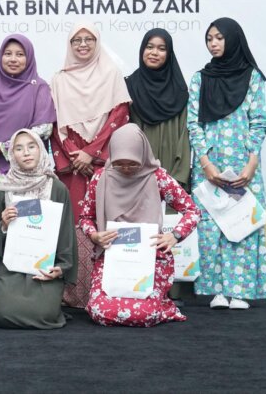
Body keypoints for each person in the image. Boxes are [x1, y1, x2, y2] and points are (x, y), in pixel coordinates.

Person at [187, 17, 266, 310]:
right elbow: (193, 124)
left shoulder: (252, 77)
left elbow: (259, 122)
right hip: (209, 166)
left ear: (233, 39)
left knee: (241, 223)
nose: (213, 43)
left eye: (219, 38)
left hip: (242, 165)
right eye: (209, 38)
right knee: (210, 227)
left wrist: (252, 162)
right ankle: (217, 291)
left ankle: (240, 291)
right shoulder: (200, 78)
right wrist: (205, 163)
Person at [81, 124, 200, 327]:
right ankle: (159, 305)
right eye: (119, 163)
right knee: (100, 311)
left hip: (151, 257)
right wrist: (95, 235)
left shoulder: (157, 177)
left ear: (143, 155)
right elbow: (86, 217)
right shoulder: (101, 178)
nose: (126, 169)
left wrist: (174, 236)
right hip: (112, 257)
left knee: (145, 314)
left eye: (132, 163)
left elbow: (192, 211)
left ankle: (161, 306)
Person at [49, 21, 131, 309]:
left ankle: (105, 289)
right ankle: (73, 293)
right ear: (69, 45)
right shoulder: (59, 79)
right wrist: (75, 154)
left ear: (97, 43)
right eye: (77, 40)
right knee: (72, 224)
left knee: (103, 222)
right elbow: (54, 122)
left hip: (101, 166)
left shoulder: (111, 74)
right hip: (72, 168)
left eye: (89, 39)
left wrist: (91, 153)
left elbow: (119, 118)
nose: (83, 45)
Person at [0, 34, 56, 304]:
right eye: (7, 54)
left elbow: (44, 128)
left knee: (26, 228)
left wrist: (6, 146)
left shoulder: (39, 88)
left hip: (28, 174)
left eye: (20, 54)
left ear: (29, 58)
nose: (13, 59)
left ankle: (26, 294)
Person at [125, 28, 192, 305]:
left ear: (169, 53)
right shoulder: (129, 86)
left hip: (171, 168)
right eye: (149, 47)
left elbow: (185, 135)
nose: (154, 52)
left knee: (169, 227)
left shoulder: (180, 90)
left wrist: (176, 176)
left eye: (161, 48)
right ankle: (138, 284)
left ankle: (171, 290)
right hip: (137, 171)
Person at [0, 129, 77, 329]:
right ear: (11, 155)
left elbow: (66, 234)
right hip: (10, 268)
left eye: (31, 146)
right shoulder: (3, 191)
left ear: (41, 150)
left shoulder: (57, 188)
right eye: (18, 148)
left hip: (44, 267)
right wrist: (3, 225)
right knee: (4, 314)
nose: (26, 153)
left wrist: (61, 268)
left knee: (44, 314)